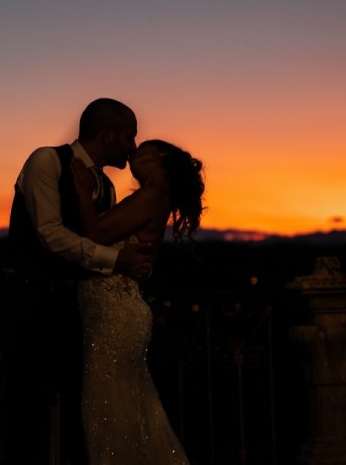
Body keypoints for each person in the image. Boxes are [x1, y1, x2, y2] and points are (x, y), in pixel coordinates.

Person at [5, 98, 154, 465]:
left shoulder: (105, 185)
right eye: (129, 137)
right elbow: (50, 235)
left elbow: (98, 237)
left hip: (82, 311)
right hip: (33, 304)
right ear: (108, 134)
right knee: (30, 413)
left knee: (79, 410)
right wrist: (117, 260)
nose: (133, 148)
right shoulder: (45, 161)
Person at [70, 139, 204, 465]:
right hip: (112, 314)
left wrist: (78, 185)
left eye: (139, 148)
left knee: (110, 417)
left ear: (158, 157)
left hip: (115, 318)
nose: (131, 152)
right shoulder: (152, 199)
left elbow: (96, 233)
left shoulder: (152, 196)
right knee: (126, 414)